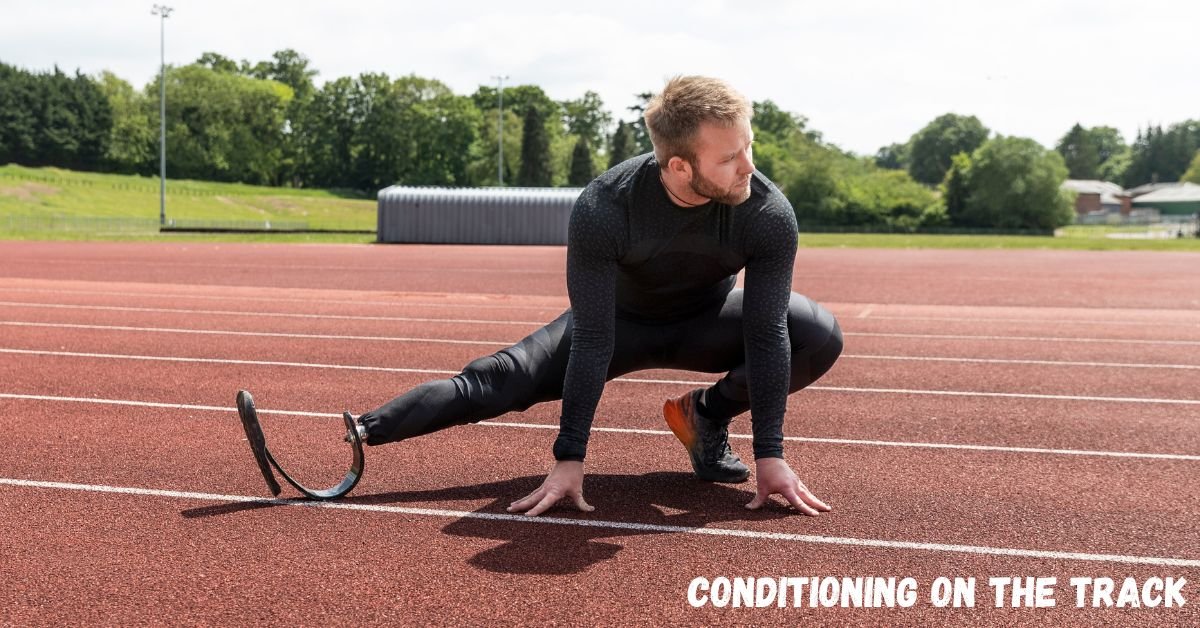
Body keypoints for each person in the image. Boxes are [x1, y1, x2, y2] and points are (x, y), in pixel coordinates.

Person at [352, 76, 843, 517]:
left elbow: (764, 331)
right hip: (614, 324)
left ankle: (705, 415)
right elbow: (591, 339)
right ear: (678, 166)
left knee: (816, 335)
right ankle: (366, 429)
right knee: (494, 381)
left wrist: (770, 455)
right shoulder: (605, 206)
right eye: (729, 157)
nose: (749, 167)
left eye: (748, 146)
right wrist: (569, 457)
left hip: (707, 322)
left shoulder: (766, 211)